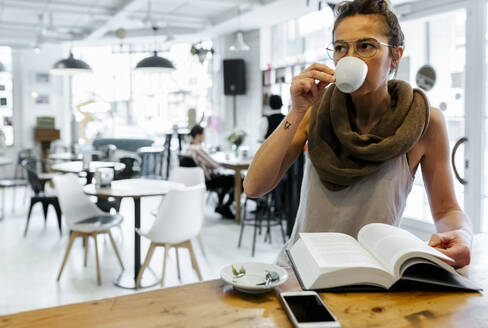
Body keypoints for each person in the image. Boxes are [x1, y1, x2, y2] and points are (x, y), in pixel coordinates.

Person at [244, 0, 472, 268]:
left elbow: (447, 210)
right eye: (341, 48)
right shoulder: (316, 110)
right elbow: (253, 187)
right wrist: (296, 112)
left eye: (365, 46)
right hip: (300, 273)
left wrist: (462, 235)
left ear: (395, 56)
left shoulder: (423, 121)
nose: (350, 58)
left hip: (371, 281)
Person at [184, 125, 236, 219]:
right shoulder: (198, 149)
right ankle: (225, 206)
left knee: (226, 178)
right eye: (203, 134)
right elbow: (214, 165)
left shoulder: (187, 149)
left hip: (194, 181)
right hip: (207, 181)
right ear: (199, 135)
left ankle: (221, 205)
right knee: (236, 180)